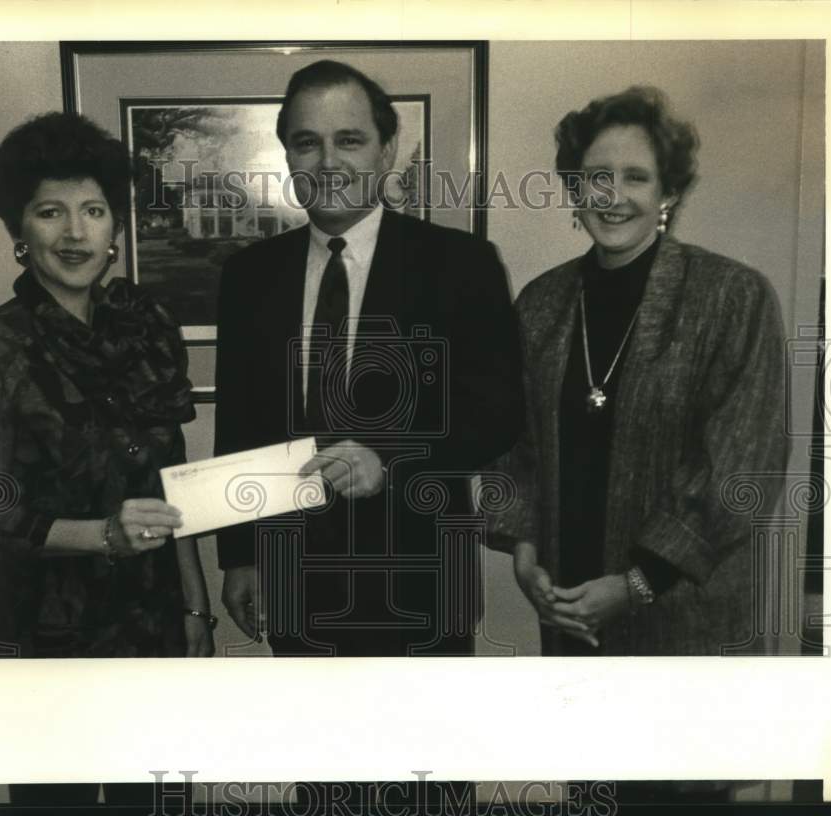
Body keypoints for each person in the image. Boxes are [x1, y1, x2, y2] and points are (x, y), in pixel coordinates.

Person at [214, 60, 524, 658]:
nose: (328, 163)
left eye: (349, 140)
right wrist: (240, 554)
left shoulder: (461, 264)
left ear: (386, 152)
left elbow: (499, 412)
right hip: (293, 575)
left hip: (419, 575)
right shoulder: (249, 276)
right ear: (287, 157)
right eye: (307, 143)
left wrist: (391, 459)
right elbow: (240, 422)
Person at [489, 86, 787, 658]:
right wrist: (525, 558)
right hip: (569, 604)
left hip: (684, 615)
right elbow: (515, 446)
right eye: (596, 176)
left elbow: (738, 469)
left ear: (668, 192)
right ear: (575, 191)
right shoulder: (541, 303)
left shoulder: (732, 296)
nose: (613, 196)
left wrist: (636, 584)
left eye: (636, 177)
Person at [0, 112, 215, 663]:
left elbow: (171, 487)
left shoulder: (144, 331)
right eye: (50, 212)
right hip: (47, 631)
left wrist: (195, 608)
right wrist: (104, 535)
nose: (76, 233)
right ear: (18, 229)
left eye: (93, 211)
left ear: (115, 228)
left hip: (156, 620)